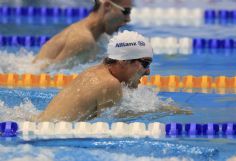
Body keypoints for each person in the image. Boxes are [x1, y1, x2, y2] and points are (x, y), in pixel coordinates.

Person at [36, 31, 191, 122]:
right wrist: (161, 111)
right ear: (123, 61)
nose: (148, 71)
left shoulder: (96, 73)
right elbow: (113, 121)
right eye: (145, 63)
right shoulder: (109, 84)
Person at [33, 0, 132, 69]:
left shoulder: (100, 36)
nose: (128, 19)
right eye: (126, 11)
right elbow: (49, 75)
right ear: (107, 6)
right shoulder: (83, 40)